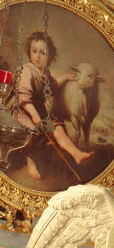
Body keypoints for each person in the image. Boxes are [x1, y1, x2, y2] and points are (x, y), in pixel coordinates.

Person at [13, 31, 93, 181]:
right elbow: (23, 96)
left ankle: (76, 154)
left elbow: (52, 85)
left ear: (50, 56)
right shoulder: (26, 71)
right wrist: (35, 116)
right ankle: (30, 160)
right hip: (24, 111)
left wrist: (66, 77)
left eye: (42, 53)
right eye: (34, 51)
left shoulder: (45, 74)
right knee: (33, 130)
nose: (37, 56)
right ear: (29, 52)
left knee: (57, 128)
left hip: (39, 112)